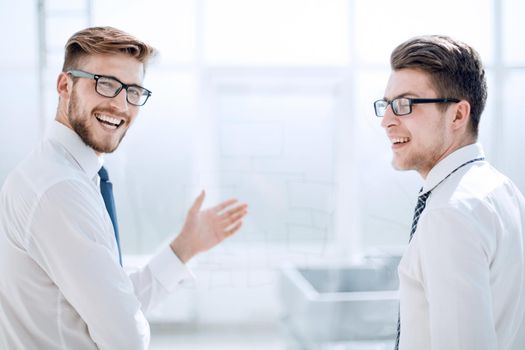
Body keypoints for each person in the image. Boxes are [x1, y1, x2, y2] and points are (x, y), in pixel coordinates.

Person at [0, 26, 248, 349]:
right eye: (105, 84)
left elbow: (113, 306)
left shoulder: (65, 174)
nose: (121, 105)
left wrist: (185, 246)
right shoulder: (59, 190)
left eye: (133, 91)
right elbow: (126, 338)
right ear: (65, 85)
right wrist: (124, 318)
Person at [375, 35, 525, 350]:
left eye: (405, 104)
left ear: (457, 115)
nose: (387, 121)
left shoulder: (449, 214)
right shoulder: (502, 190)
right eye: (386, 106)